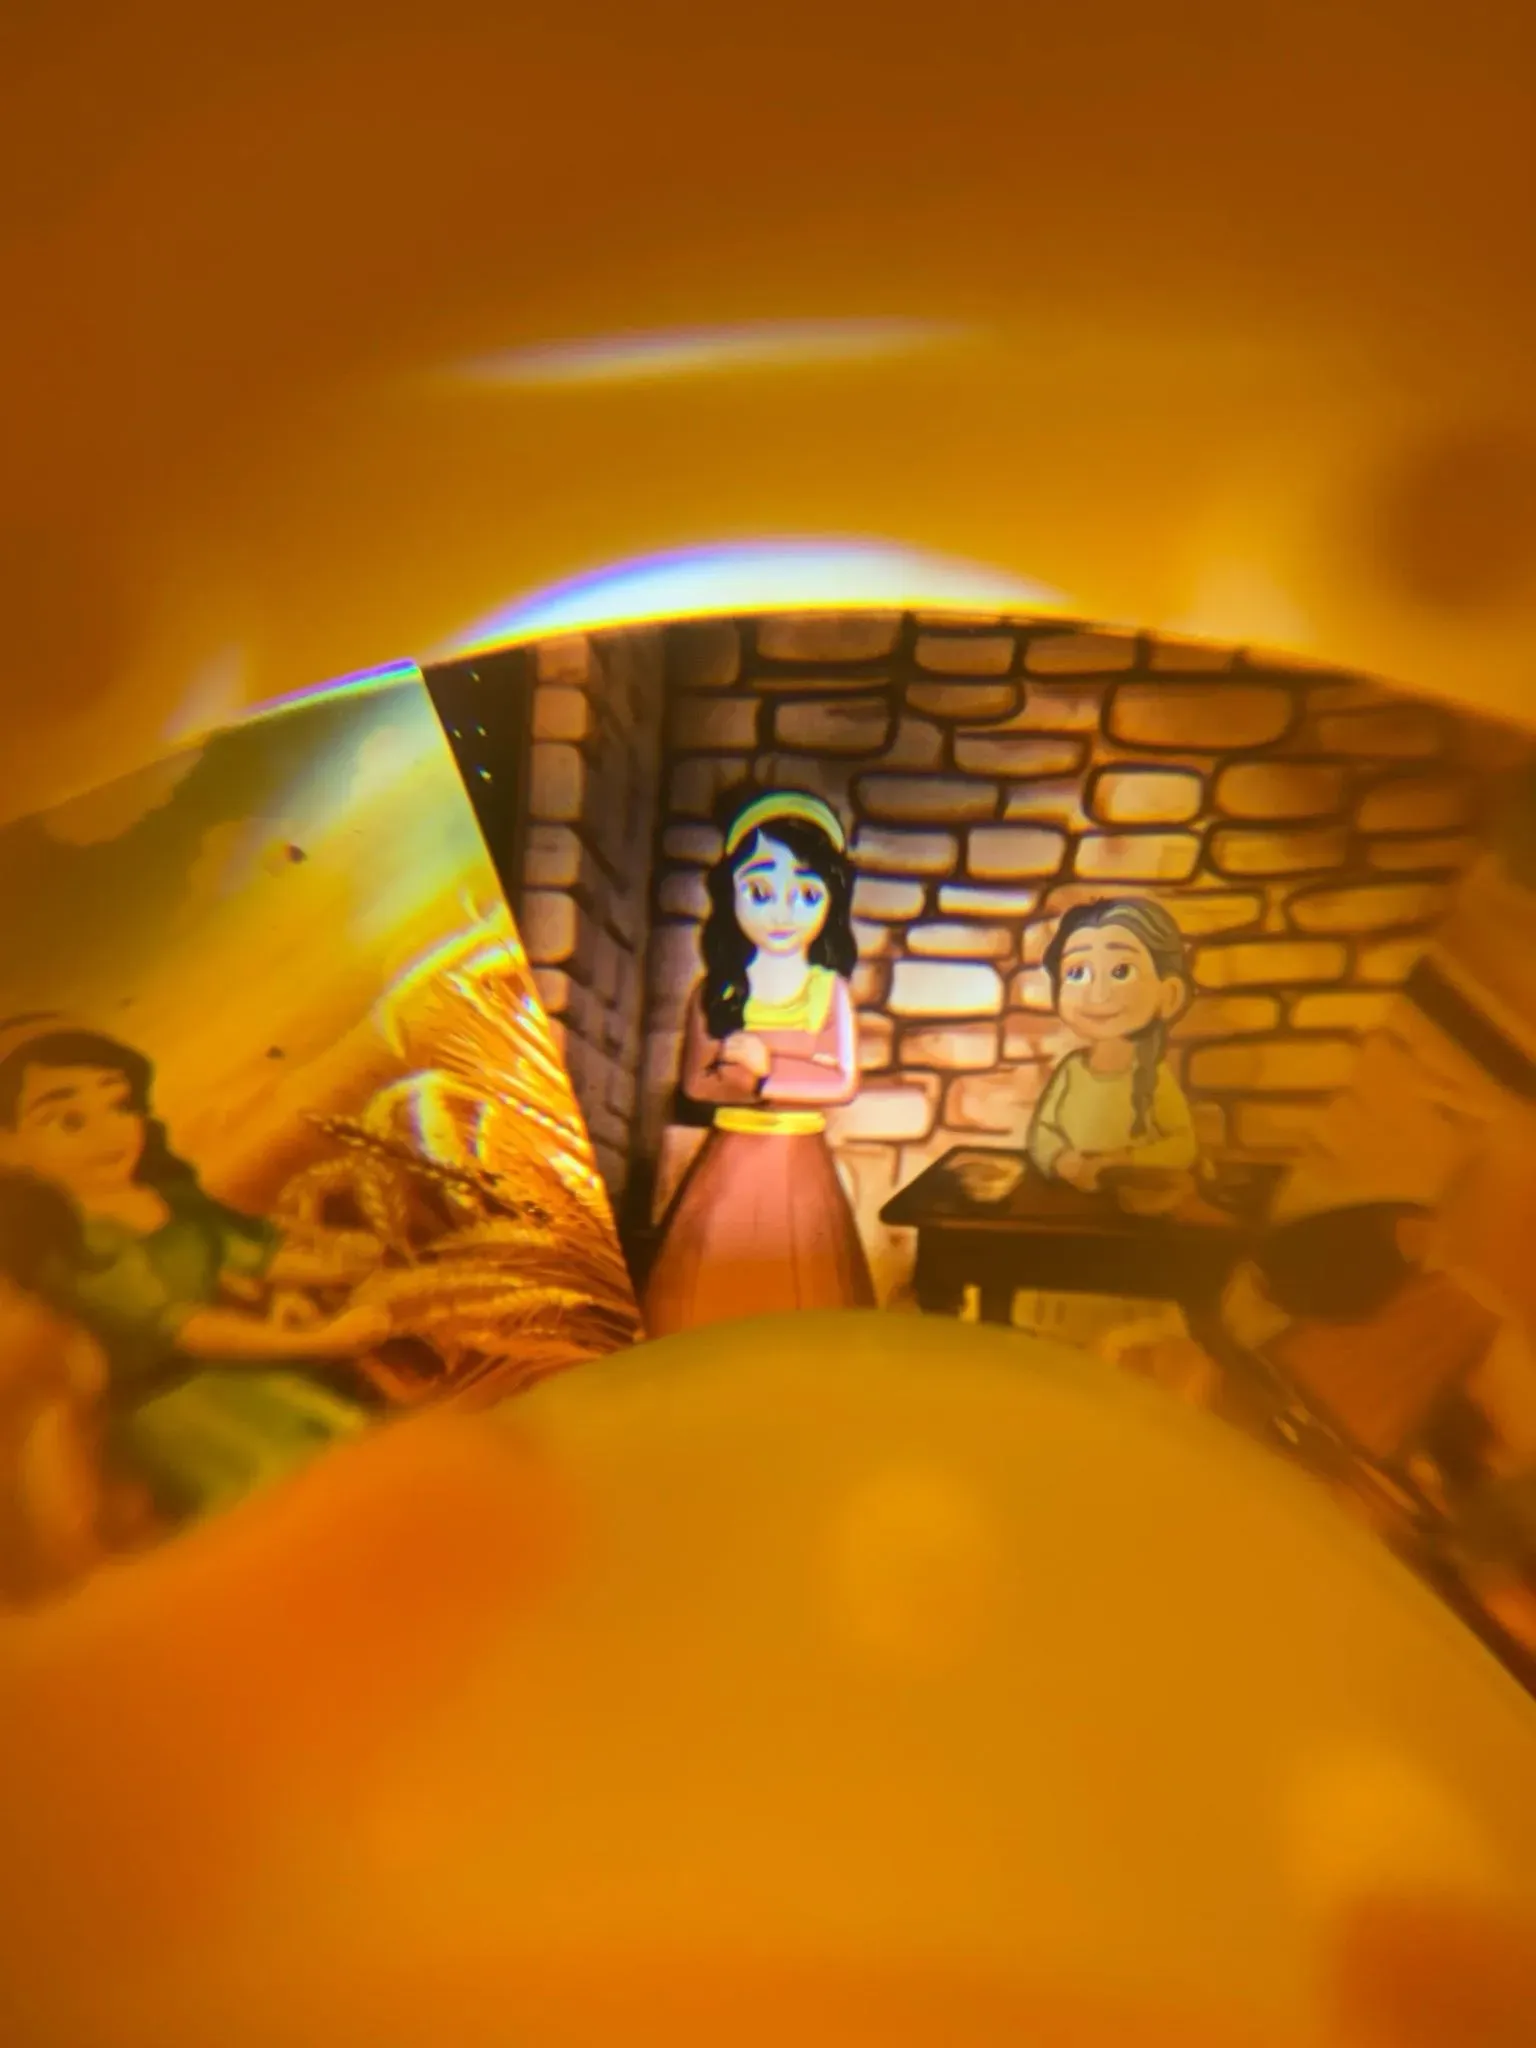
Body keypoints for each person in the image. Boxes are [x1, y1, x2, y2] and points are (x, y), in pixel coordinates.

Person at [0, 1017, 389, 1529]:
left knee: (360, 1466)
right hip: (185, 1413)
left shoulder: (167, 1202)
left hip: (255, 1380)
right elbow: (187, 1330)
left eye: (119, 1104)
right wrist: (323, 1339)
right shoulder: (78, 1250)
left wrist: (344, 1264)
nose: (112, 1131)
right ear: (10, 1148)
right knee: (296, 1512)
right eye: (69, 1120)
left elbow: (247, 1255)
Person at [642, 790, 875, 1336]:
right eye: (761, 891)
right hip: (730, 1161)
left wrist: (766, 1071)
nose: (781, 913)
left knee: (804, 1296)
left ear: (831, 900)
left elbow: (841, 1079)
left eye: (806, 894)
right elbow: (697, 1084)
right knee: (709, 1297)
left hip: (799, 1165)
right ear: (731, 893)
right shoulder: (715, 991)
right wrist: (742, 1081)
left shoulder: (829, 992)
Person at [1026, 896, 1198, 1191]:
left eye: (1121, 972)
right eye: (1077, 973)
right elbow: (1042, 1132)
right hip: (1070, 1198)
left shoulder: (1153, 1076)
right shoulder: (1071, 1071)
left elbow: (1183, 1145)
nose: (1098, 996)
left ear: (1168, 994)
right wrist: (1063, 1161)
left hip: (1136, 1201)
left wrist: (1123, 1161)